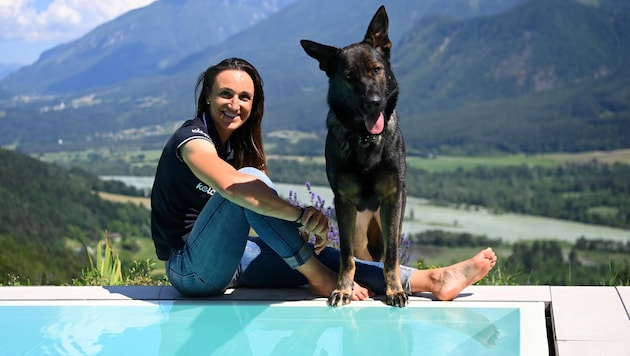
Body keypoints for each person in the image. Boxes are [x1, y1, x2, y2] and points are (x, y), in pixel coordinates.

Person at [150, 57, 497, 301]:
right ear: (207, 97)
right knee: (248, 180)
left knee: (321, 255)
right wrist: (300, 214)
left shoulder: (237, 145)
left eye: (245, 97)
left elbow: (261, 208)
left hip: (233, 260)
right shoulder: (191, 140)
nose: (235, 104)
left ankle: (433, 280)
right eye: (225, 94)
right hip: (190, 271)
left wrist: (300, 231)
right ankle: (320, 279)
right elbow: (233, 187)